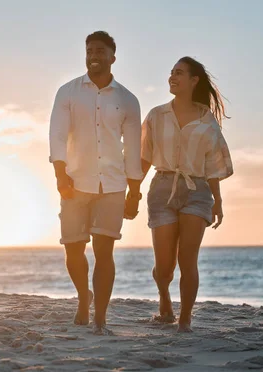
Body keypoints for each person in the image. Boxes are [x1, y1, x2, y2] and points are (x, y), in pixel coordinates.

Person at [48, 31, 143, 335]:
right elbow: (58, 136)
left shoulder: (128, 100)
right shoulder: (68, 92)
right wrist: (60, 176)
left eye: (100, 50)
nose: (93, 55)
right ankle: (82, 299)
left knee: (105, 252)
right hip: (75, 182)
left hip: (112, 186)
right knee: (73, 250)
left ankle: (100, 316)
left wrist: (135, 191)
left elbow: (133, 149)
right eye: (89, 50)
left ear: (112, 57)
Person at [139, 57, 233, 333]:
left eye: (179, 73)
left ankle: (185, 319)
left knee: (188, 259)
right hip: (162, 189)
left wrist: (218, 201)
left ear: (194, 81)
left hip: (197, 191)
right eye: (171, 72)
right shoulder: (156, 116)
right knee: (164, 267)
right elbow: (144, 157)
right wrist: (132, 192)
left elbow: (213, 166)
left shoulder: (207, 122)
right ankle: (164, 296)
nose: (172, 77)